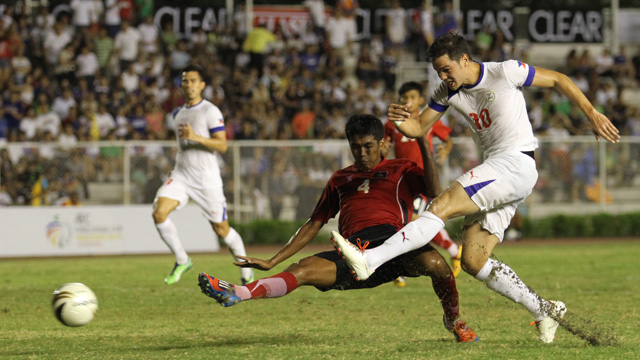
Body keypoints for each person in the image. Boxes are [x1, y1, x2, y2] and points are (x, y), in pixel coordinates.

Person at [333, 33, 620, 343]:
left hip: (515, 163)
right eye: (438, 71)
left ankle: (371, 259)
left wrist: (591, 113)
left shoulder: (505, 71)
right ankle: (544, 310)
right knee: (473, 260)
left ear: (464, 60)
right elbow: (419, 127)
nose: (442, 77)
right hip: (502, 173)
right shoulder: (447, 90)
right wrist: (404, 124)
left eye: (446, 69)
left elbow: (559, 80)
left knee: (439, 207)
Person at [198, 114, 478, 343]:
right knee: (302, 269)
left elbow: (433, 189)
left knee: (435, 262)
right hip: (352, 252)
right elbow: (313, 224)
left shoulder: (401, 168)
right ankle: (238, 291)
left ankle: (454, 322)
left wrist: (423, 144)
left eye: (368, 146)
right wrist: (273, 260)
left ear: (383, 144)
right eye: (355, 147)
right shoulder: (340, 178)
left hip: (394, 245)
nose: (362, 153)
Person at [152, 65, 254, 286]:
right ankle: (182, 259)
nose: (188, 84)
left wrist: (197, 137)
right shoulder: (177, 113)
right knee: (159, 213)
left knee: (221, 230)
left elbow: (223, 145)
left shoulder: (210, 111)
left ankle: (247, 273)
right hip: (181, 175)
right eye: (185, 81)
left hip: (206, 180)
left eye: (193, 80)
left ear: (202, 85)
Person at [383, 81, 460, 287]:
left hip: (423, 179)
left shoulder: (428, 120)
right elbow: (385, 144)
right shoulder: (392, 124)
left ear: (420, 100)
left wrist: (446, 148)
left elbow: (448, 138)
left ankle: (451, 250)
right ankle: (450, 251)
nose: (407, 101)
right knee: (410, 221)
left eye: (411, 97)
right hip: (401, 180)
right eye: (403, 98)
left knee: (412, 219)